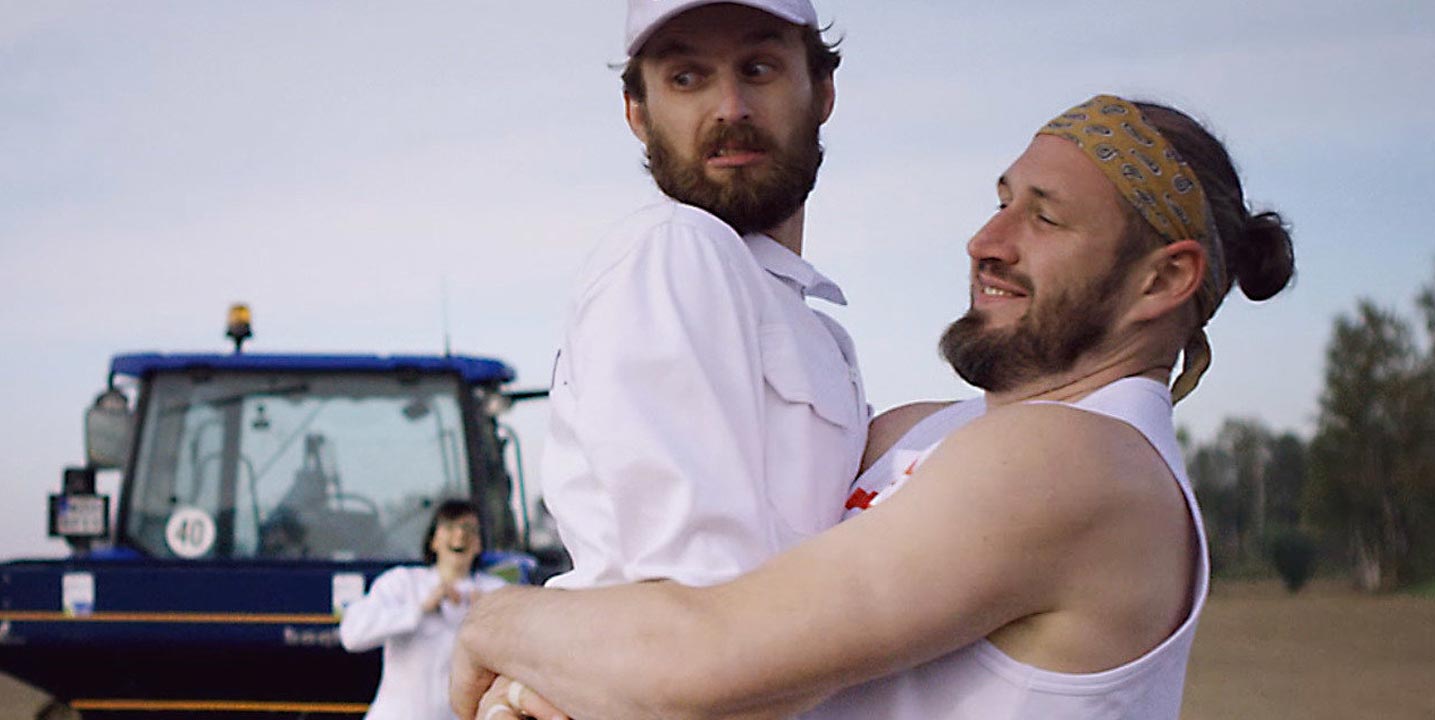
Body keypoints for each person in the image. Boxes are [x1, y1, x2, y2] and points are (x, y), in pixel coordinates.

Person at [451, 94, 1296, 720]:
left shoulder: (1083, 464)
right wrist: (553, 685)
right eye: (1001, 201)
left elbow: (698, 666)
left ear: (1163, 279)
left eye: (1044, 219)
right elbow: (682, 614)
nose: (986, 242)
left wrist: (496, 624)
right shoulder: (916, 434)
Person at [541, 0, 865, 590]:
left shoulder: (801, 315)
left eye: (758, 68)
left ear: (823, 91)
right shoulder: (675, 247)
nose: (730, 108)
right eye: (687, 78)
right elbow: (694, 598)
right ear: (638, 113)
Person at [338, 499, 506, 720]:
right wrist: (418, 609)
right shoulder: (402, 583)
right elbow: (351, 635)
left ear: (479, 544)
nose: (460, 535)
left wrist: (491, 616)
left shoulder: (495, 592)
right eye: (449, 527)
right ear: (433, 541)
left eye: (469, 529)